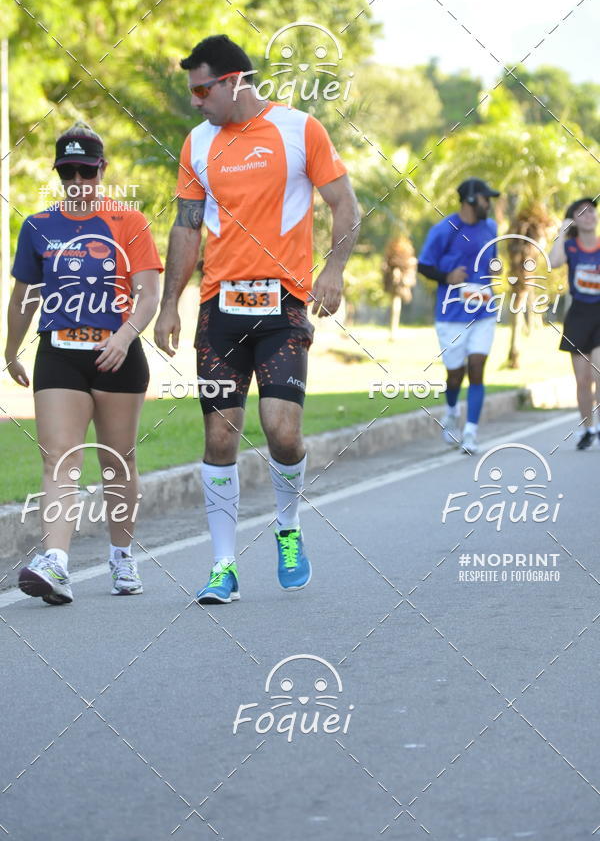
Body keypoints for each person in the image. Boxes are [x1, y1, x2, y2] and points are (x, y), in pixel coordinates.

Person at [154, 34, 360, 603]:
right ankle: (223, 566)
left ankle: (288, 528)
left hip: (284, 306)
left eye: (201, 90)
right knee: (220, 436)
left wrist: (334, 269)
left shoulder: (300, 129)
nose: (195, 101)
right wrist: (170, 303)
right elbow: (187, 226)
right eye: (191, 92)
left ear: (234, 81)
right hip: (220, 308)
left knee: (282, 431)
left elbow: (345, 203)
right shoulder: (196, 144)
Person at [5, 122, 162, 604]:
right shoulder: (37, 227)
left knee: (118, 460)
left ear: (102, 170)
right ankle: (56, 563)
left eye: (86, 171)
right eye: (68, 171)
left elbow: (148, 292)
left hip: (117, 355)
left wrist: (126, 335)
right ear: (58, 172)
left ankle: (121, 555)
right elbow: (23, 299)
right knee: (59, 458)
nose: (77, 181)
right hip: (59, 354)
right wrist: (10, 351)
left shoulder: (129, 222)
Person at [418, 178, 500, 454]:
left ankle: (471, 433)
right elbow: (424, 265)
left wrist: (494, 268)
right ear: (472, 200)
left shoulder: (491, 227)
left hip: (484, 311)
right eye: (486, 198)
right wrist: (448, 276)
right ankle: (451, 413)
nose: (490, 204)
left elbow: (492, 260)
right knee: (456, 375)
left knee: (477, 367)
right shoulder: (444, 229)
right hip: (451, 315)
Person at [550, 197, 600, 449]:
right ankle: (588, 429)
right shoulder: (570, 248)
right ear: (574, 220)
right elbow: (554, 262)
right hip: (579, 316)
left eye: (592, 211)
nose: (589, 216)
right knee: (582, 380)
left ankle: (599, 425)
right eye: (582, 213)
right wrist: (561, 231)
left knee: (598, 371)